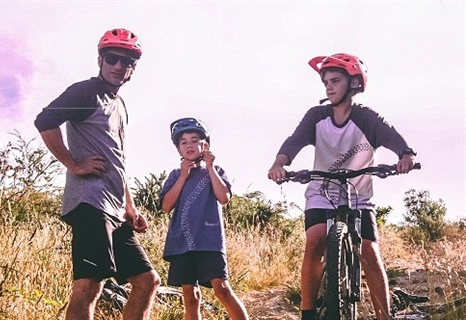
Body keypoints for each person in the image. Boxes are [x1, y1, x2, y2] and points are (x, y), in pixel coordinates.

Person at [267, 53, 417, 320]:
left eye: (335, 80)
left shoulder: (366, 117)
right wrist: (279, 164)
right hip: (321, 192)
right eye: (326, 82)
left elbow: (392, 136)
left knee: (369, 251)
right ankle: (307, 312)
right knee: (314, 241)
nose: (329, 86)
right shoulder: (317, 116)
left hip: (358, 194)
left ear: (354, 84)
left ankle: (384, 315)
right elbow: (294, 141)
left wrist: (405, 156)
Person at [34, 28, 160, 320]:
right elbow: (45, 120)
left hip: (115, 209)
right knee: (90, 284)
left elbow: (118, 160)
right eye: (112, 58)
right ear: (100, 60)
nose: (119, 66)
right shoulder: (86, 91)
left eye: (126, 61)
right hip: (90, 203)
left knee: (147, 281)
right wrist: (74, 164)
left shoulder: (119, 104)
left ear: (133, 68)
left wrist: (130, 206)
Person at [159, 117, 249, 320]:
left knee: (222, 288)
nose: (189, 145)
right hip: (181, 243)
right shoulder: (175, 175)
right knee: (190, 295)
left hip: (209, 240)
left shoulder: (216, 172)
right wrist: (183, 176)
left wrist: (210, 167)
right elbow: (166, 206)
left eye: (194, 140)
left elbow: (223, 198)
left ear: (204, 145)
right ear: (178, 149)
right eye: (183, 142)